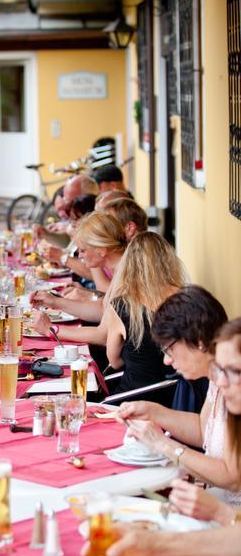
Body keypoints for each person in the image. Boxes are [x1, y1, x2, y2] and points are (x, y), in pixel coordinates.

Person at [116, 286, 241, 503]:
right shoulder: (217, 382)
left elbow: (232, 476)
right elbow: (205, 430)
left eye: (169, 349)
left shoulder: (234, 388)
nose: (167, 360)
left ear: (199, 342)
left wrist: (163, 444)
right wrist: (154, 412)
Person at [101, 232, 186, 399]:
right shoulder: (185, 298)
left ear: (129, 264)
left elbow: (115, 362)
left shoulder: (121, 306)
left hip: (132, 399)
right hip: (174, 397)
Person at [31, 211, 127, 335]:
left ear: (102, 250)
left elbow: (103, 335)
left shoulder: (127, 273)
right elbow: (103, 309)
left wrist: (50, 329)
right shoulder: (120, 266)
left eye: (82, 250)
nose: (79, 255)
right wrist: (54, 301)